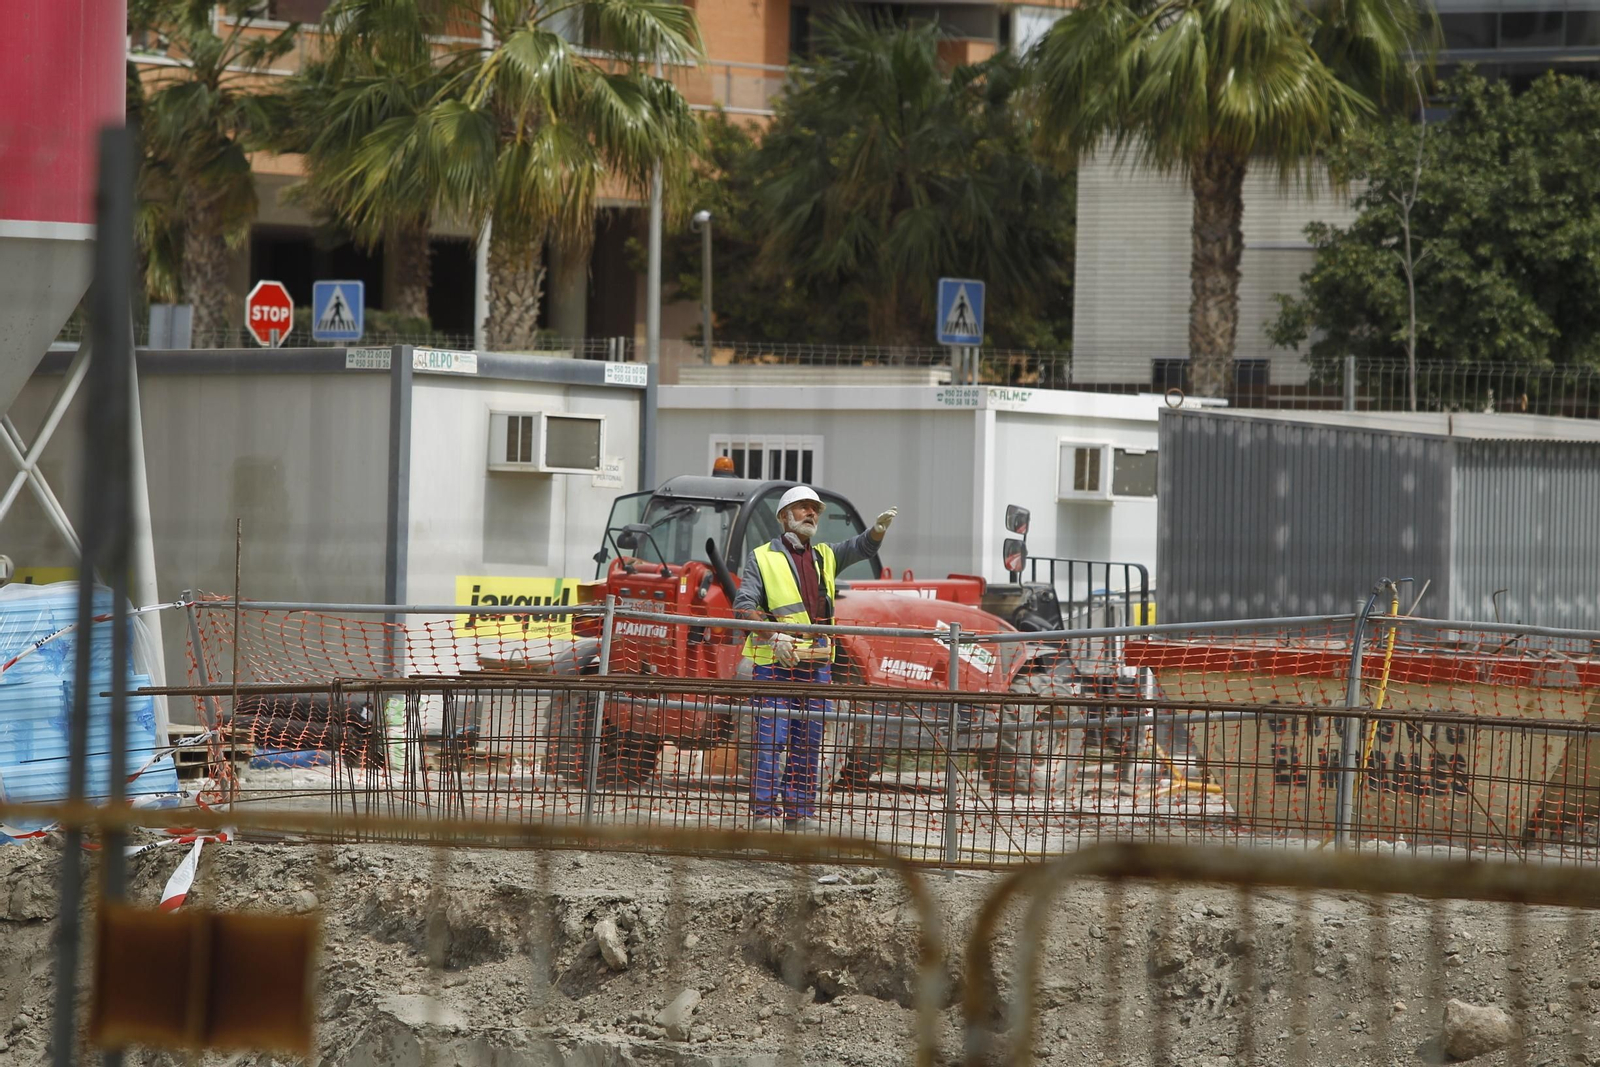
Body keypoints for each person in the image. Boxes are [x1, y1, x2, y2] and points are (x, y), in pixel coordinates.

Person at [733, 486, 896, 831]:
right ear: (784, 517)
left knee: (807, 742)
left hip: (815, 667)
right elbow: (743, 607)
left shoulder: (825, 555)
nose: (811, 514)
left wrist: (877, 532)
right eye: (803, 508)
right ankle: (764, 814)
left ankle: (799, 812)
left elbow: (860, 547)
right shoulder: (762, 557)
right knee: (770, 741)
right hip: (775, 665)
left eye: (815, 510)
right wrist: (772, 635)